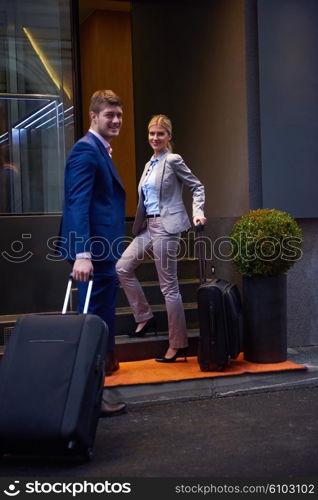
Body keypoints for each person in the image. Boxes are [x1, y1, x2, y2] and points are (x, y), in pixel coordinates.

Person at [116, 114, 206, 362]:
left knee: (169, 287)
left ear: (168, 136)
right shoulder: (149, 164)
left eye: (160, 134)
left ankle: (178, 344)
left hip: (167, 227)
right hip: (148, 226)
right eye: (152, 134)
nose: (155, 138)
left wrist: (198, 213)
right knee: (122, 267)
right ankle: (144, 317)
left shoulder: (173, 160)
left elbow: (197, 186)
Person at [60, 89, 127, 416]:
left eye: (118, 115)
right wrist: (82, 253)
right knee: (93, 324)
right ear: (93, 116)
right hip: (94, 255)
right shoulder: (85, 151)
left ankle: (92, 393)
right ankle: (87, 398)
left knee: (100, 323)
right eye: (108, 115)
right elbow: (78, 204)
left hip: (104, 253)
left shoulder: (99, 150)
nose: (115, 120)